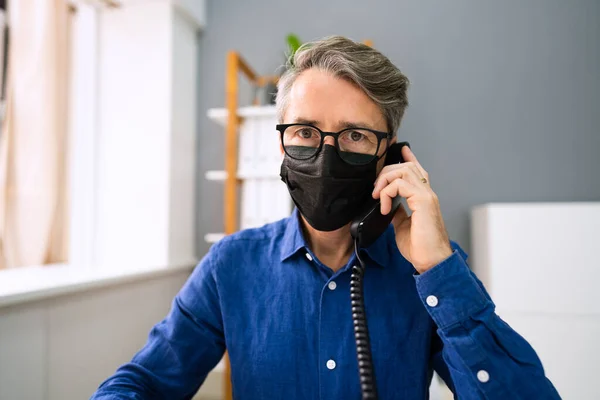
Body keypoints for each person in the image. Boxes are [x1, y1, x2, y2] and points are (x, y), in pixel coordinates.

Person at [91, 36, 560, 399]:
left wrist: (438, 269)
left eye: (355, 135)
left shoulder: (432, 271)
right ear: (281, 144)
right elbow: (145, 380)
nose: (326, 153)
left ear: (391, 154)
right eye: (305, 131)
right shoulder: (230, 265)